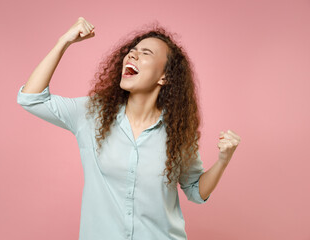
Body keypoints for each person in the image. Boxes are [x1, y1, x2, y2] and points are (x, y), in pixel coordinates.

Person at [17, 17, 241, 240]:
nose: (133, 55)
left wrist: (223, 160)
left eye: (146, 53)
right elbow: (31, 99)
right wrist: (63, 42)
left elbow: (195, 191)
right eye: (132, 50)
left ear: (165, 77)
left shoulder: (178, 133)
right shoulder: (92, 113)